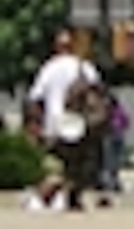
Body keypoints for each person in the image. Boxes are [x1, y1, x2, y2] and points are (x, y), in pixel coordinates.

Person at [26, 31, 98, 212]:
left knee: (56, 166)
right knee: (76, 167)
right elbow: (98, 95)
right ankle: (64, 197)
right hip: (79, 125)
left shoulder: (49, 68)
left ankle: (55, 197)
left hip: (55, 125)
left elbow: (35, 98)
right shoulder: (85, 67)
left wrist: (35, 125)